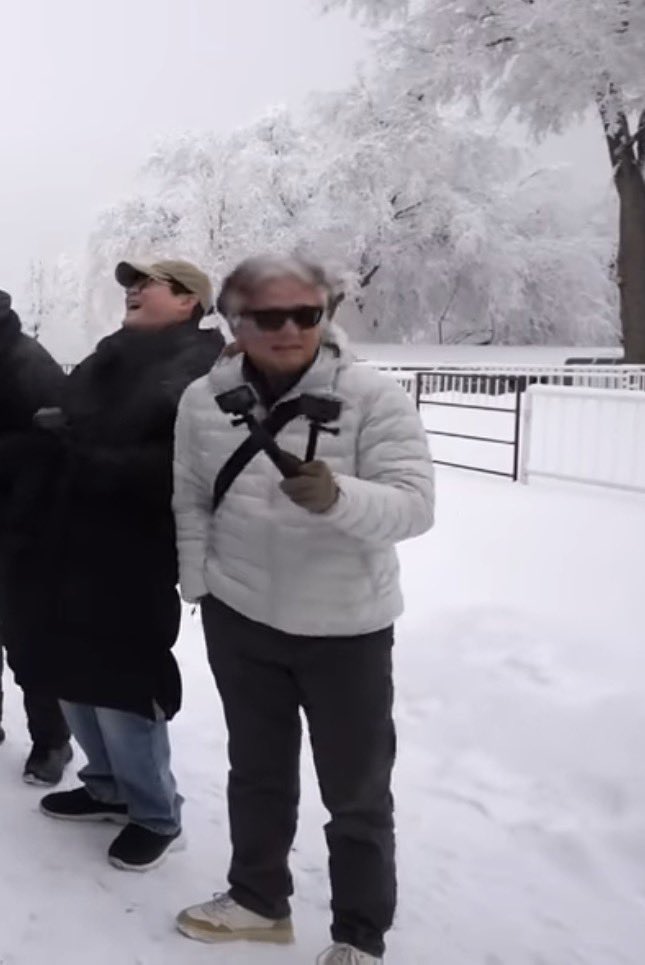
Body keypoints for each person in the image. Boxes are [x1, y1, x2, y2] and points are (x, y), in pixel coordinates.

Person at [172, 255, 435, 963]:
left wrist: (341, 496)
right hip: (240, 615)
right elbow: (190, 495)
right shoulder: (203, 399)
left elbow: (415, 505)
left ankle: (359, 934)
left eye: (306, 314)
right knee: (256, 771)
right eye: (268, 315)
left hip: (346, 628)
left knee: (356, 791)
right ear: (235, 322)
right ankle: (258, 900)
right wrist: (200, 584)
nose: (290, 328)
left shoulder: (372, 395)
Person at [0, 261, 224, 871]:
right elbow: (63, 420)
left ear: (190, 301)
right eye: (130, 283)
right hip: (68, 535)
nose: (133, 290)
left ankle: (155, 812)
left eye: (149, 283)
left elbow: (185, 464)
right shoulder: (111, 354)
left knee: (125, 678)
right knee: (71, 665)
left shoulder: (198, 368)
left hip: (133, 545)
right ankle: (105, 786)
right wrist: (53, 433)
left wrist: (87, 452)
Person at [0, 290, 73, 784]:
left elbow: (59, 441)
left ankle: (52, 740)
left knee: (27, 640)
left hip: (21, 526)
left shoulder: (26, 360)